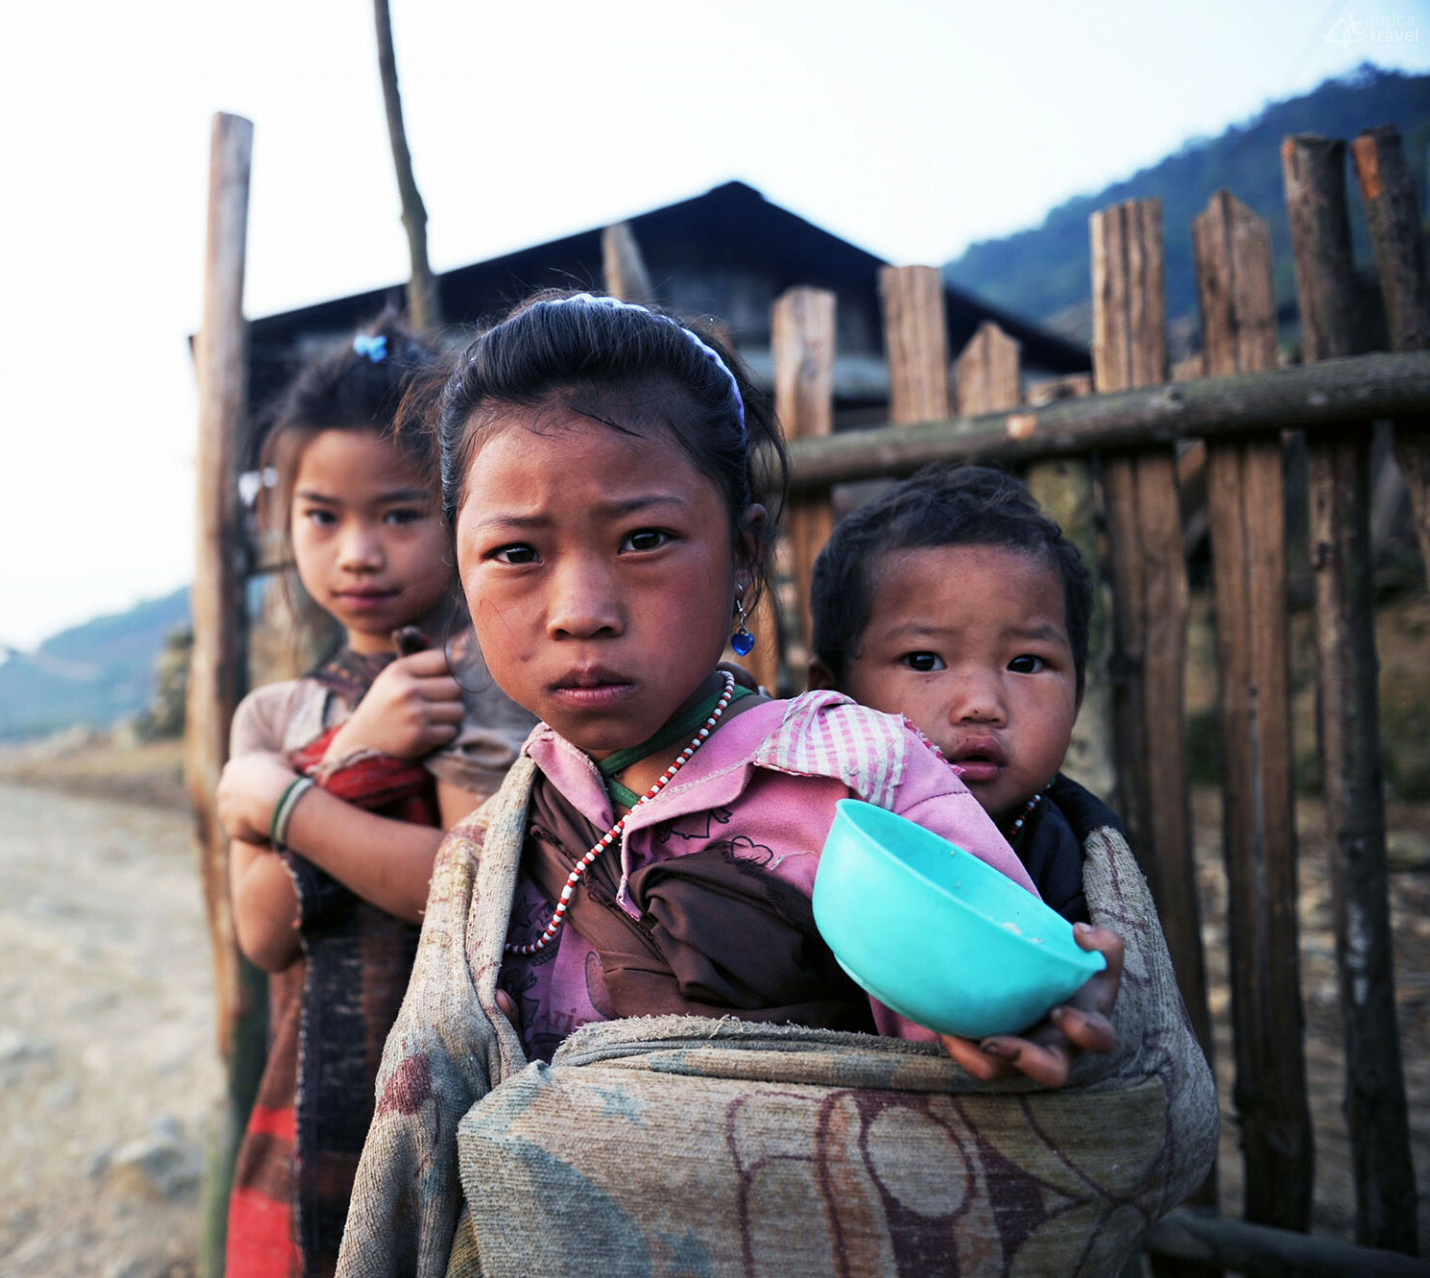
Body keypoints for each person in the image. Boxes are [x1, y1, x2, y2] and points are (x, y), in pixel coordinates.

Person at [336, 293, 1216, 1278]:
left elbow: (976, 1061)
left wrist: (1022, 1021)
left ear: (745, 553)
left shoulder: (858, 777)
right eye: (515, 555)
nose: (581, 610)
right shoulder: (496, 842)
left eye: (643, 540)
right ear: (461, 572)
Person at [211, 320, 535, 1278]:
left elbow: (471, 891)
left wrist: (282, 806)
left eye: (399, 515)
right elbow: (264, 929)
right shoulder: (273, 714)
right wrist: (359, 745)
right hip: (307, 1100)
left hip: (465, 1093)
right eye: (322, 517)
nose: (357, 553)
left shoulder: (487, 678)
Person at [808, 463, 1117, 927]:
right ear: (831, 692)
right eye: (925, 661)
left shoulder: (1078, 868)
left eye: (1026, 664)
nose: (981, 705)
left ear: (1076, 701)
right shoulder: (789, 834)